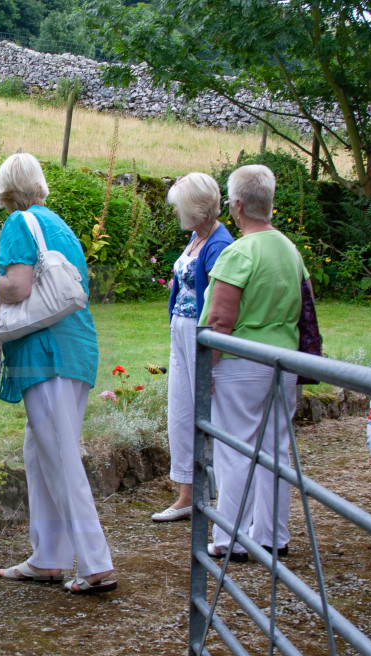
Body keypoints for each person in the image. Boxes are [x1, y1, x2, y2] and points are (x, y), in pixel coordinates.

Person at [0, 153, 116, 595]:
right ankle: (48, 557)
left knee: (58, 456)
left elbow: (18, 286)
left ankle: (95, 564)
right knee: (41, 453)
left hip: (46, 353)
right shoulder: (59, 224)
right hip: (74, 349)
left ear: (6, 189)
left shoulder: (19, 222)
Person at [200, 164, 309, 561]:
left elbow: (220, 319)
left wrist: (205, 368)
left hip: (241, 362)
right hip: (283, 358)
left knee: (235, 449)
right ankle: (271, 534)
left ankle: (228, 538)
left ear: (238, 205)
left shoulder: (239, 252)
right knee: (276, 449)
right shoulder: (289, 249)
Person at [151, 173, 234, 522]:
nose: (175, 214)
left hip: (201, 334)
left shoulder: (218, 244)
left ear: (194, 208)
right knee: (181, 410)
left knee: (204, 411)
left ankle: (207, 492)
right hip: (182, 330)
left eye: (179, 207)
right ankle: (187, 493)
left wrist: (210, 357)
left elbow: (220, 305)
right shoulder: (196, 238)